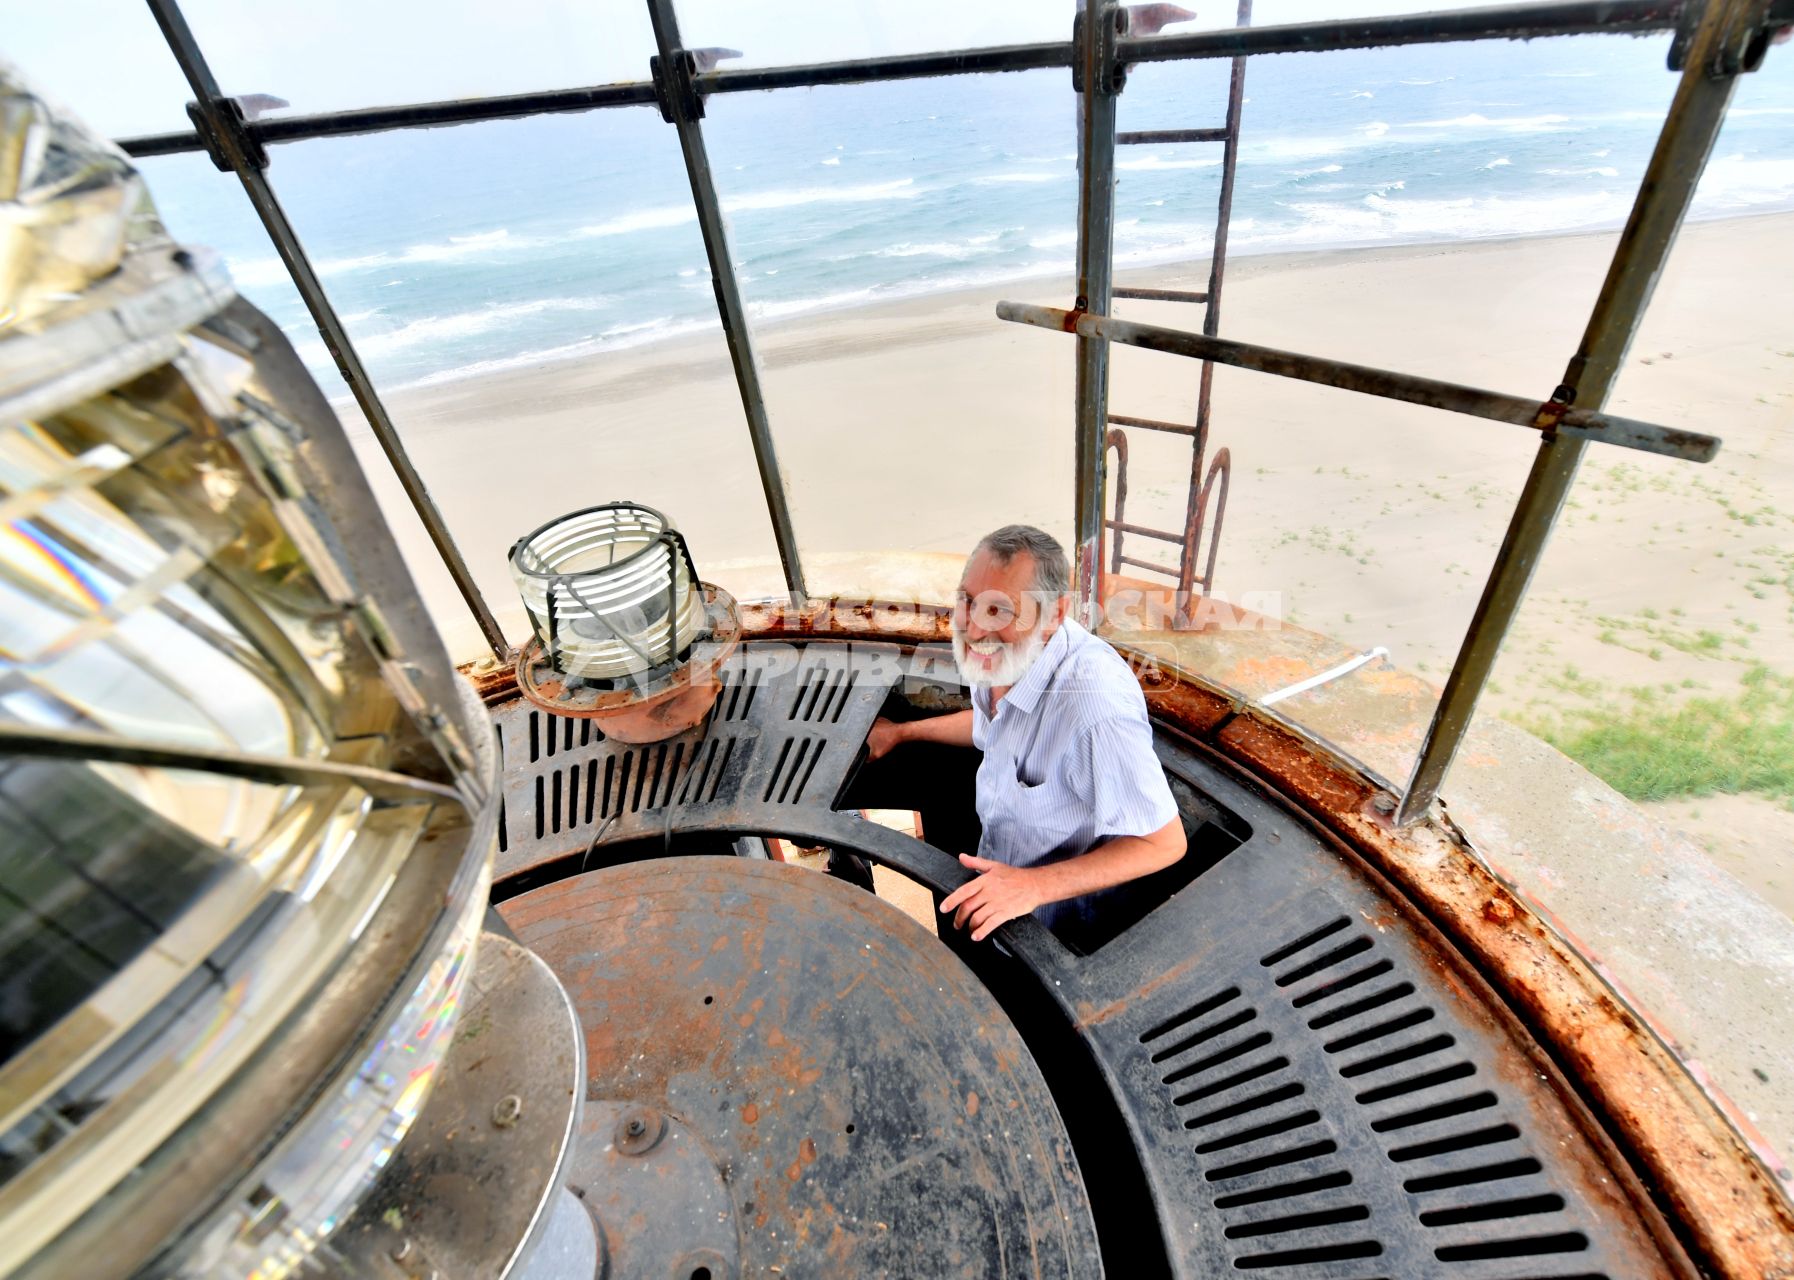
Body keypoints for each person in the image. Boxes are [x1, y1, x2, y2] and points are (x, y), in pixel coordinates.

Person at [866, 525, 1185, 945]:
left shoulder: (1096, 710)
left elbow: (1162, 842)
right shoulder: (1001, 660)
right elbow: (991, 729)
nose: (974, 629)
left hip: (1057, 928)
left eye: (1000, 610)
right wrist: (904, 732)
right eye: (967, 601)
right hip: (998, 877)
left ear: (1054, 614)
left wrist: (1032, 886)